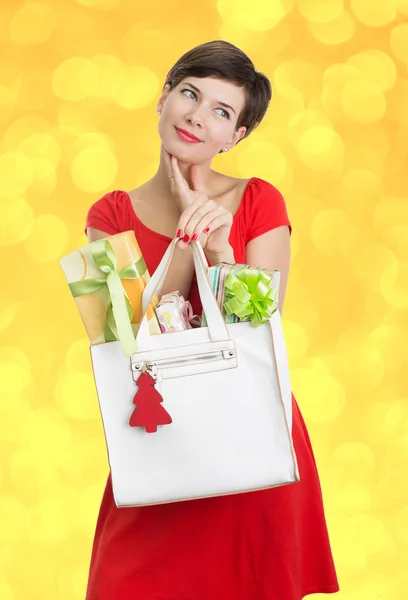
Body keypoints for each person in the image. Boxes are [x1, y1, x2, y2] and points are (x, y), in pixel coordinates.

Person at [84, 40, 340, 600]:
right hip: (156, 442)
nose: (198, 117)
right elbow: (126, 338)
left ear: (236, 137)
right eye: (190, 94)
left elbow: (260, 323)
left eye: (222, 112)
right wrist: (184, 237)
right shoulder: (109, 217)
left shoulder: (259, 202)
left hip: (252, 442)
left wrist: (222, 252)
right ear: (163, 98)